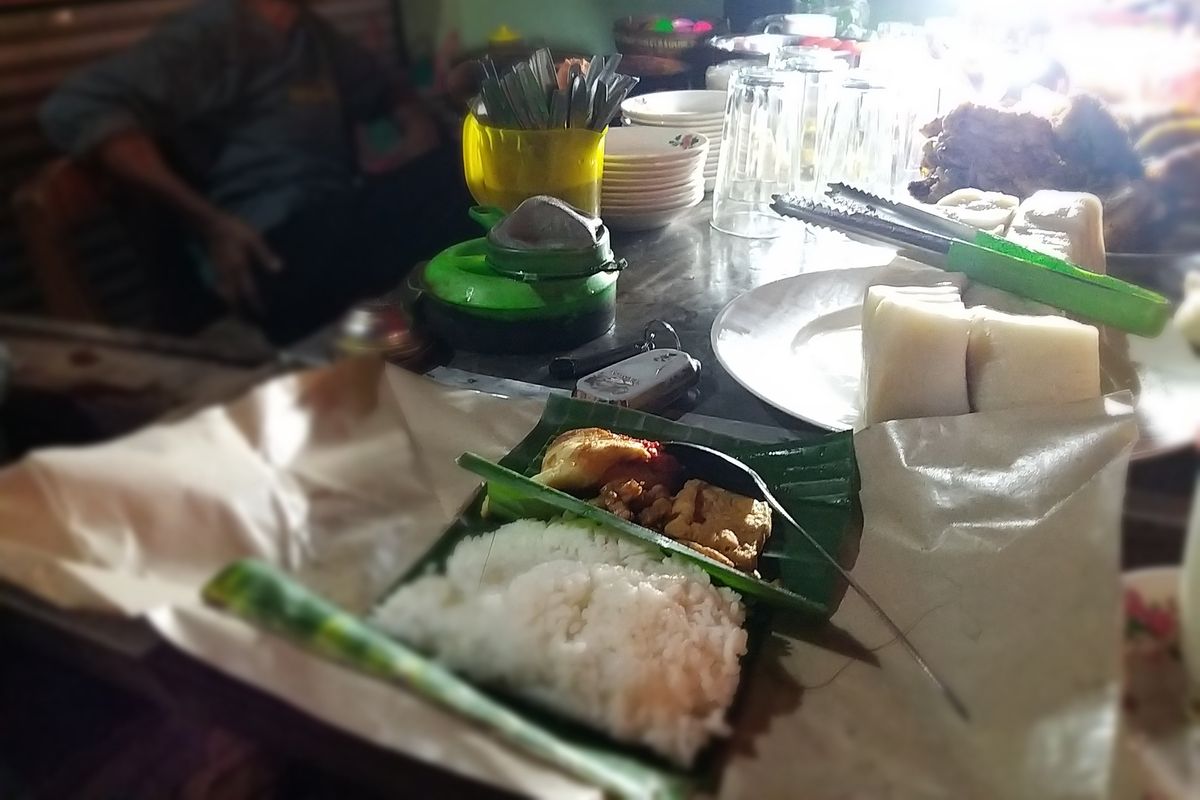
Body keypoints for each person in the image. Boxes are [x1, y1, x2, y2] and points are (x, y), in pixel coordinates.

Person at [40, 0, 478, 344]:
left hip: (333, 228)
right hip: (269, 255)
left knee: (464, 173)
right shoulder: (211, 34)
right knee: (465, 175)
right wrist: (209, 223)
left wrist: (414, 127)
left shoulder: (311, 36)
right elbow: (77, 106)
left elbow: (387, 88)